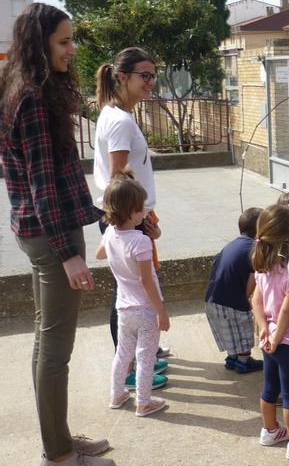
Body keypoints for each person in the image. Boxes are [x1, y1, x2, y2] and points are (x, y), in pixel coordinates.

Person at [0, 3, 114, 466]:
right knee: (56, 348)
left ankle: (58, 440)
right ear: (40, 45)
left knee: (46, 340)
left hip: (42, 231)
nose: (72, 49)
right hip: (52, 238)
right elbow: (44, 187)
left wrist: (99, 212)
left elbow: (49, 181)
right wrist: (70, 254)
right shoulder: (33, 98)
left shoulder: (22, 91)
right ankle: (61, 455)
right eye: (64, 42)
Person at [93, 46, 169, 387]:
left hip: (128, 215)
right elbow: (117, 180)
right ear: (122, 77)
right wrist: (136, 222)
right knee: (129, 295)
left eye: (153, 75)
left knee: (129, 293)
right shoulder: (121, 121)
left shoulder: (116, 114)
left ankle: (140, 357)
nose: (151, 82)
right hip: (125, 216)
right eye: (145, 75)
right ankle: (131, 371)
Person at [99, 172, 169, 418]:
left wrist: (113, 246)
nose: (144, 213)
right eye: (140, 208)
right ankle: (143, 402)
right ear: (131, 211)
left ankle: (117, 394)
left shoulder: (109, 234)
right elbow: (146, 280)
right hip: (145, 309)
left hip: (123, 308)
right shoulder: (140, 242)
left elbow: (99, 254)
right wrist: (161, 311)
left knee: (123, 354)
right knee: (145, 357)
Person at [250, 205, 289, 461]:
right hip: (286, 340)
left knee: (269, 388)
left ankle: (269, 430)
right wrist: (276, 335)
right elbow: (287, 309)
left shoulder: (261, 265)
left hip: (267, 338)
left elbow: (256, 301)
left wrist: (264, 330)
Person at [204, 207, 263, 372]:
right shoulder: (254, 249)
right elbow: (252, 279)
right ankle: (244, 362)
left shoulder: (232, 244)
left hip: (212, 297)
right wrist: (246, 300)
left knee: (229, 331)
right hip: (231, 300)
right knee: (242, 329)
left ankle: (232, 357)